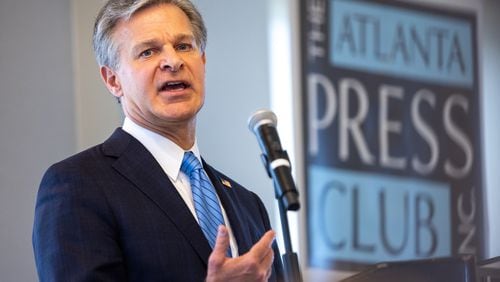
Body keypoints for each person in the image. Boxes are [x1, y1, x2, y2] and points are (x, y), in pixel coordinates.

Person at [32, 0, 283, 281]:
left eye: (184, 46)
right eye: (148, 51)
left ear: (203, 62)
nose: (173, 61)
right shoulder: (78, 184)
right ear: (113, 79)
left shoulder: (248, 204)